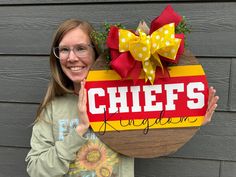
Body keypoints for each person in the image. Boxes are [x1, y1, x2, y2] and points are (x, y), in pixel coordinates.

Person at [25, 19, 219, 177]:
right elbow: (36, 170)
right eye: (64, 50)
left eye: (81, 48)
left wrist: (188, 122)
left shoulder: (125, 98)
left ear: (95, 52)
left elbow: (153, 141)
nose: (72, 57)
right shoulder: (52, 109)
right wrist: (80, 129)